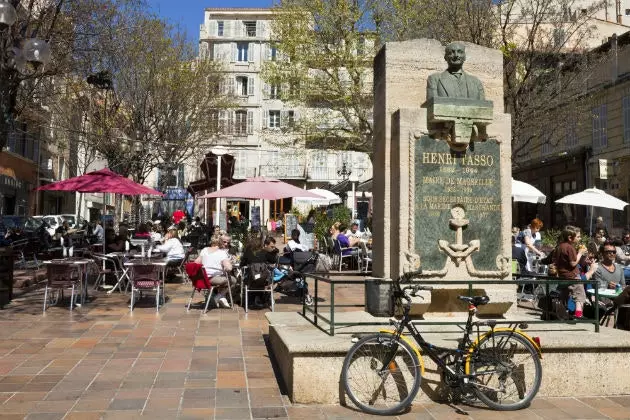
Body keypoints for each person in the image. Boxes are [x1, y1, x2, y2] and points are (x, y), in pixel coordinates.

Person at [554, 226, 588, 318]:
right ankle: (578, 315)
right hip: (573, 275)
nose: (580, 238)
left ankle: (560, 313)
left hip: (562, 275)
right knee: (580, 295)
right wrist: (580, 253)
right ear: (570, 238)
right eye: (578, 237)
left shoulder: (559, 246)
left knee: (564, 295)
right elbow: (573, 263)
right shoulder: (570, 247)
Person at [194, 235, 233, 308]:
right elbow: (229, 268)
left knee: (224, 279)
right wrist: (227, 264)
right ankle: (218, 297)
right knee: (232, 280)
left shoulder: (204, 250)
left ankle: (218, 297)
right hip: (214, 279)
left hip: (202, 278)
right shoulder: (221, 253)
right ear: (220, 243)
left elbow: (196, 262)